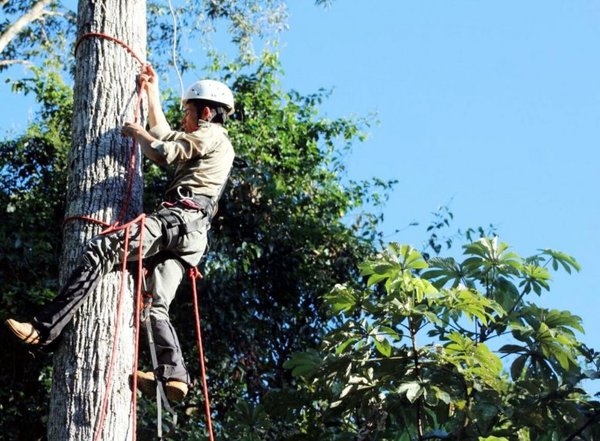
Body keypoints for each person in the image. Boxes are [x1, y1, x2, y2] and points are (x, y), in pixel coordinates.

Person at [4, 64, 235, 402]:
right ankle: (174, 377)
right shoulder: (205, 140)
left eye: (187, 111)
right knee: (154, 306)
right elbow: (166, 134)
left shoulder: (210, 133)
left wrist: (137, 133)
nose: (184, 117)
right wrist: (152, 92)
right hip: (192, 236)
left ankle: (42, 329)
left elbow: (162, 151)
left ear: (204, 111)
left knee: (102, 249)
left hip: (176, 218)